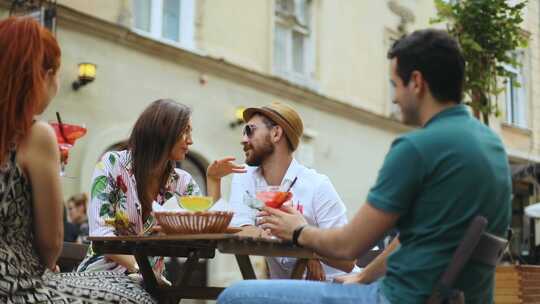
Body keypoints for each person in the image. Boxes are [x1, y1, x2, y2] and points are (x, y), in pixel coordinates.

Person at [218, 29, 511, 304]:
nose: (395, 98)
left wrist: (297, 230)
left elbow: (348, 246)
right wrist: (363, 276)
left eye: (395, 85)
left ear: (417, 83)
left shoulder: (417, 148)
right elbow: (413, 236)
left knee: (235, 295)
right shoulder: (492, 146)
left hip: (396, 298)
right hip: (456, 297)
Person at [0, 16, 156, 303]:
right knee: (136, 295)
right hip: (16, 287)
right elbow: (51, 244)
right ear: (42, 77)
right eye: (57, 74)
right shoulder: (34, 135)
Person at [77, 99, 245, 280]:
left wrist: (213, 180)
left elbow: (206, 234)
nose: (190, 140)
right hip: (102, 274)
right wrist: (141, 270)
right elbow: (100, 234)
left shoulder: (182, 182)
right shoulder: (112, 165)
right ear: (162, 131)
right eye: (185, 131)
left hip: (152, 282)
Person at [228, 101, 359, 280]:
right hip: (285, 292)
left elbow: (347, 258)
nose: (243, 139)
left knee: (236, 295)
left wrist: (305, 243)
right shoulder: (245, 176)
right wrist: (302, 246)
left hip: (332, 289)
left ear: (276, 133)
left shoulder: (317, 185)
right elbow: (238, 229)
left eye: (250, 130)